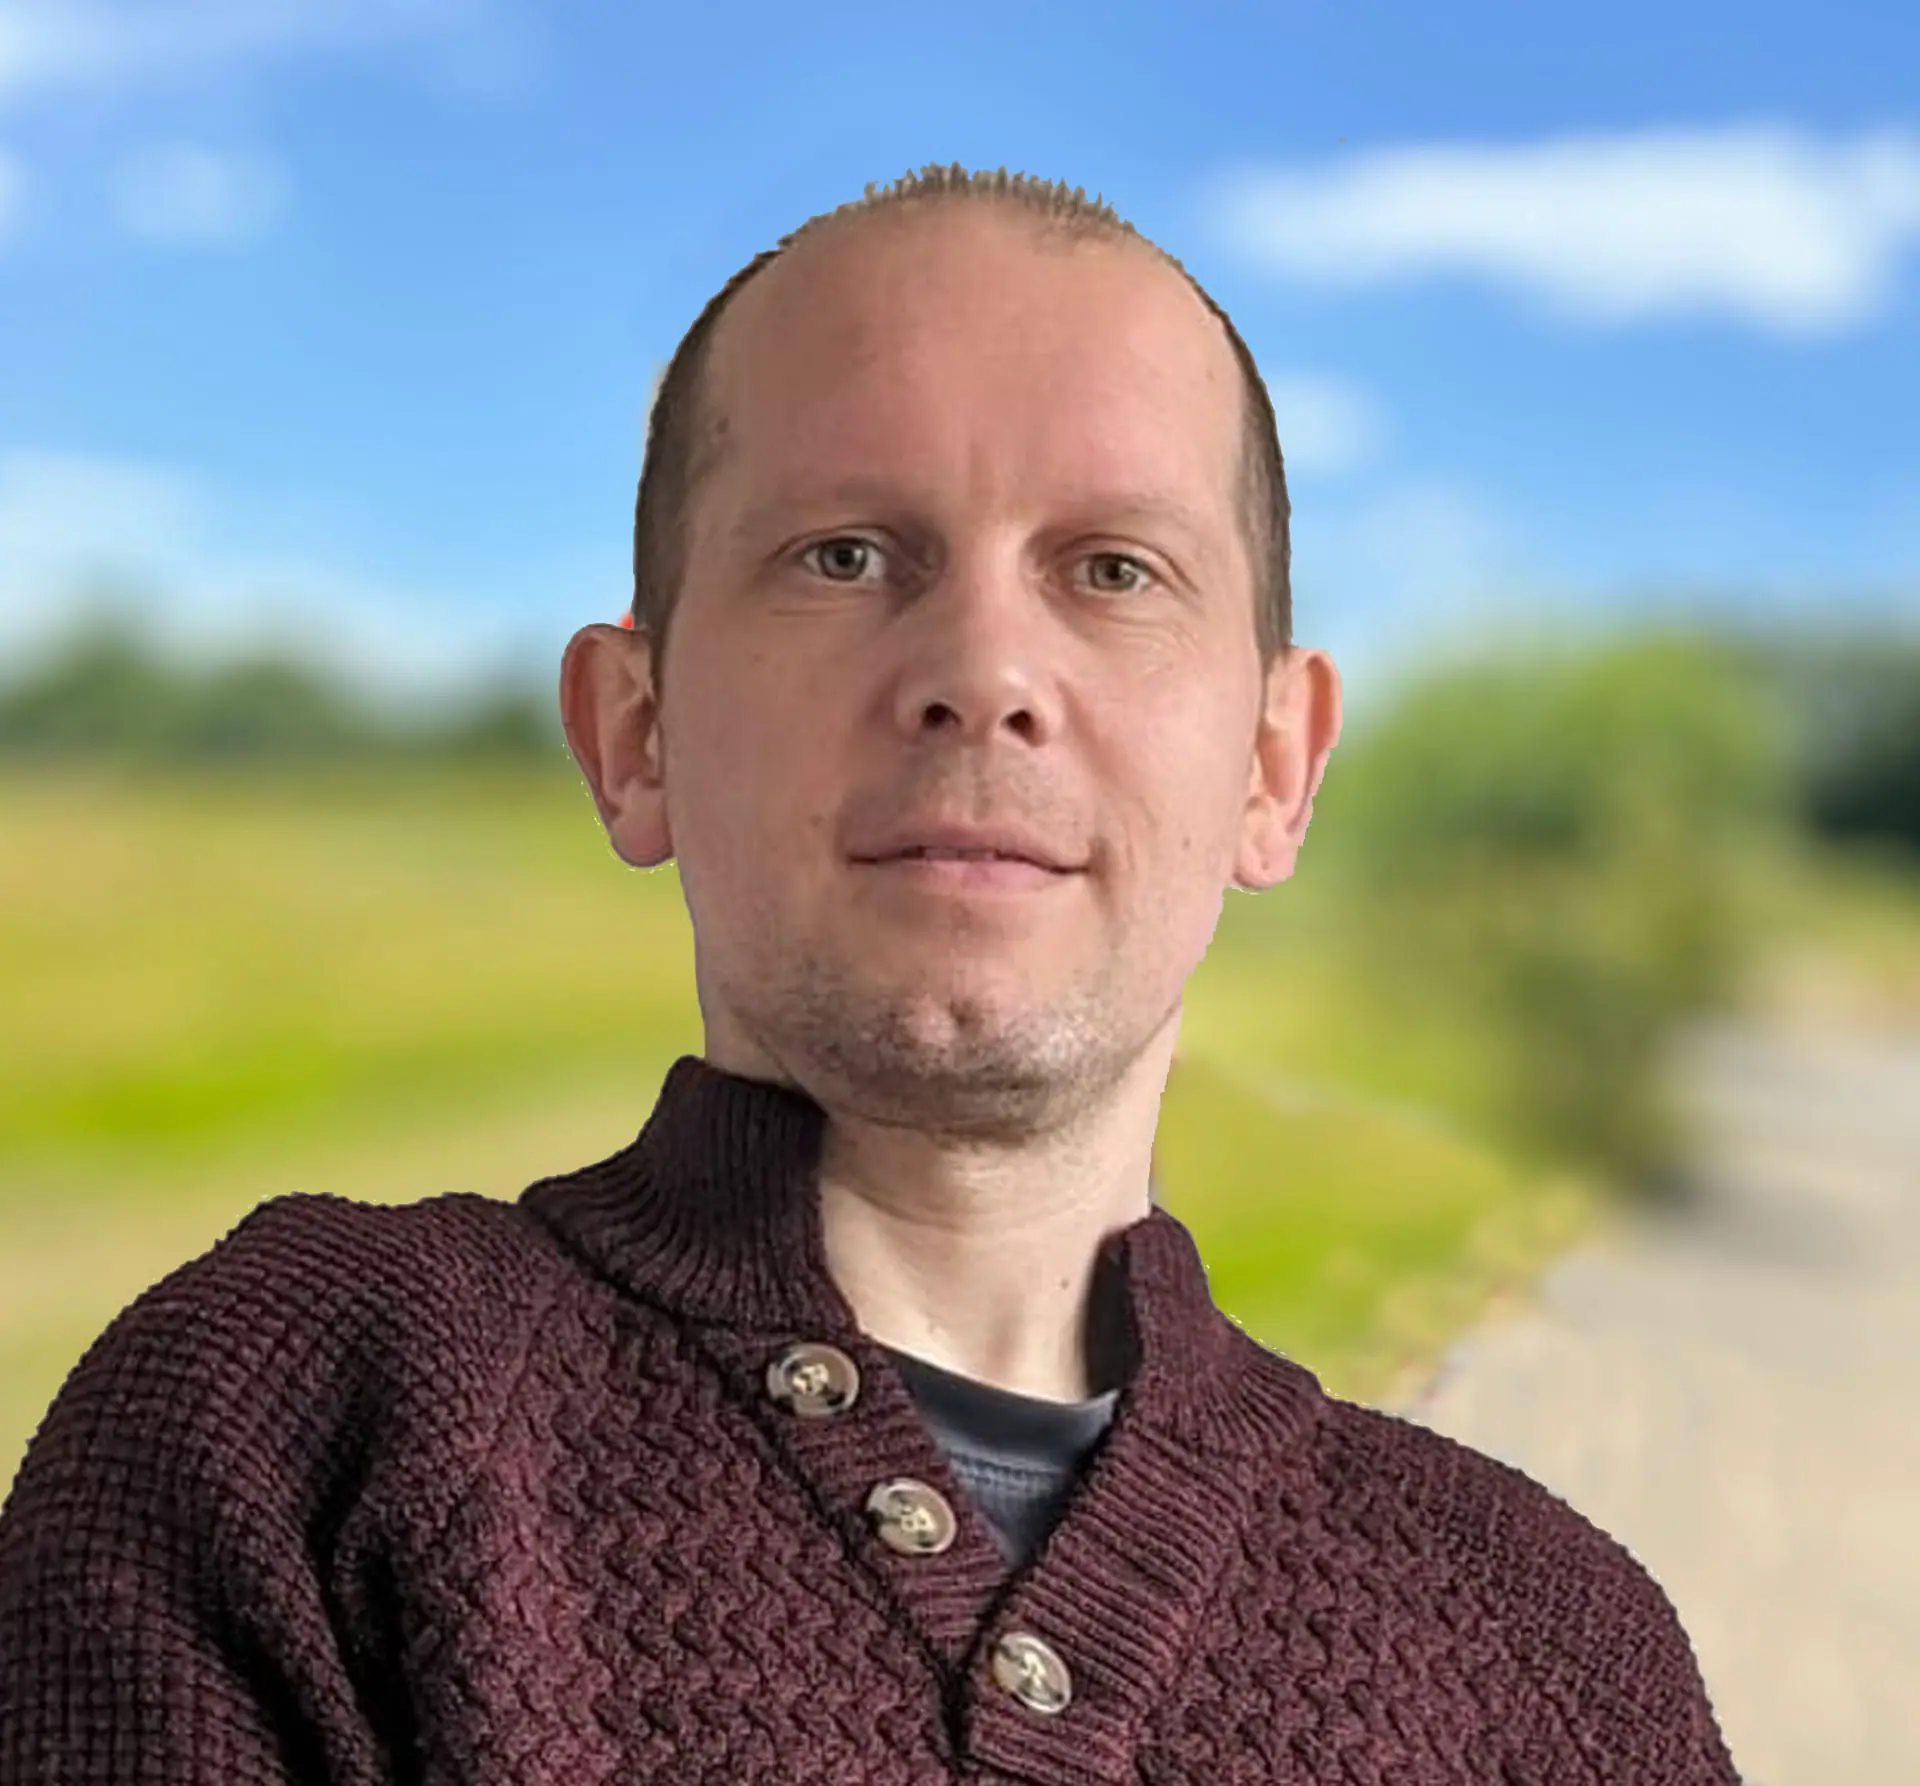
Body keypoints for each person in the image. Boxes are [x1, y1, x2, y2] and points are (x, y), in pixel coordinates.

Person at [0, 163, 1743, 1784]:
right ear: (637, 732)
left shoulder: (1560, 1656)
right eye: (843, 555)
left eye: (1114, 569)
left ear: (1274, 769)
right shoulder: (297, 1412)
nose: (983, 670)